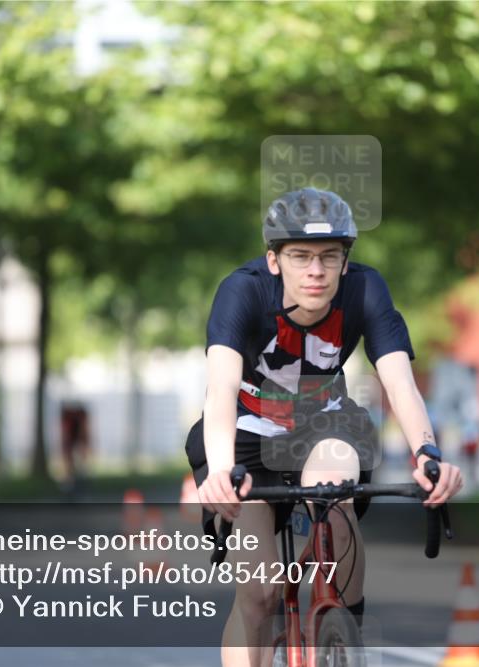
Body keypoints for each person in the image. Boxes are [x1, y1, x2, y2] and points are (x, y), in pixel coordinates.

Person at [184, 188, 463, 667]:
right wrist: (223, 471)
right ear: (274, 260)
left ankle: (342, 630)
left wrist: (427, 455)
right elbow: (221, 389)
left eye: (329, 256)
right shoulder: (243, 291)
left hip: (326, 423)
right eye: (301, 256)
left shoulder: (365, 289)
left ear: (345, 262)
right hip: (246, 433)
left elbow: (399, 383)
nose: (316, 270)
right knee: (260, 594)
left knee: (335, 497)